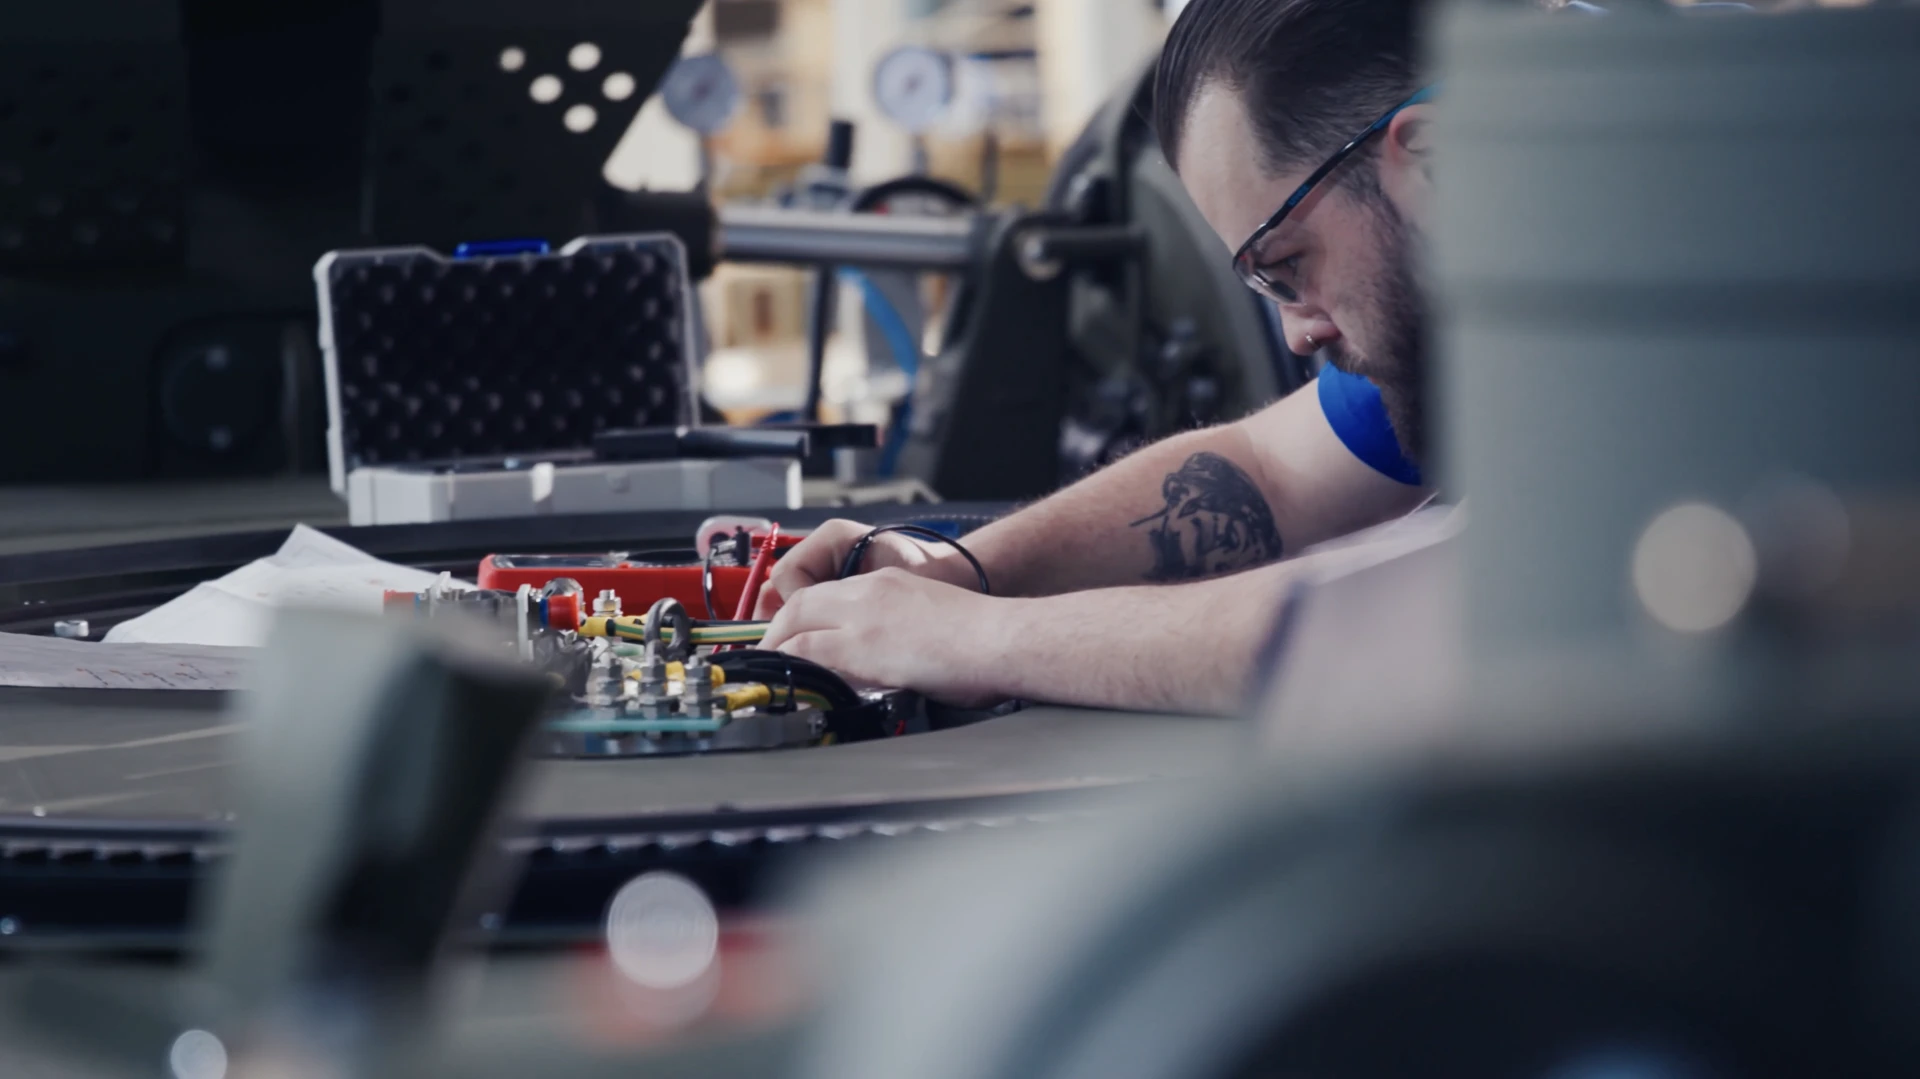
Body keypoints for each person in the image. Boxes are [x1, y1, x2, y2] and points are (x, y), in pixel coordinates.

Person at [758, 0, 1442, 714]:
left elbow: (1421, 625)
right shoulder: (1448, 346)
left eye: (1287, 264)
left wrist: (978, 637)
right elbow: (1268, 472)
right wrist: (961, 568)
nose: (1297, 334)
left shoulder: (1567, 344)